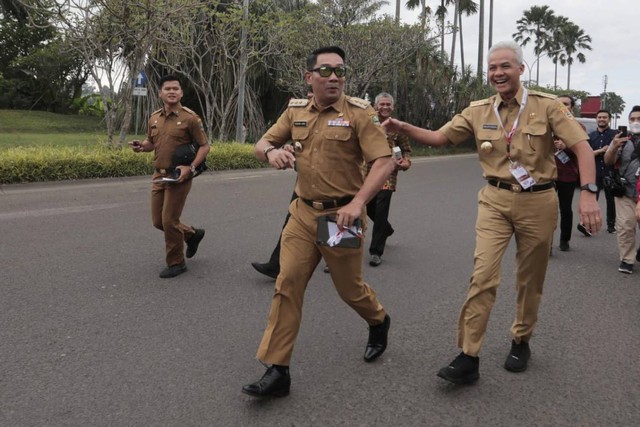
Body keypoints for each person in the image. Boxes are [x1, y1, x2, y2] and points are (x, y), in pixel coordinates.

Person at [383, 40, 601, 385]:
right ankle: (468, 355)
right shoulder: (478, 110)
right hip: (495, 200)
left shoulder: (546, 106)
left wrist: (588, 195)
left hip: (538, 200)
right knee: (482, 275)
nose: (498, 73)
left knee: (530, 279)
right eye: (492, 68)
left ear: (520, 69)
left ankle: (521, 339)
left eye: (505, 66)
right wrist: (403, 127)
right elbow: (440, 138)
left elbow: (582, 149)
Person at [242, 46, 394, 398]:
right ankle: (277, 369)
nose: (335, 77)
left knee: (349, 289)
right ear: (309, 77)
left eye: (340, 70)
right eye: (325, 71)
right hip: (302, 212)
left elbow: (384, 161)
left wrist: (358, 203)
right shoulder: (295, 111)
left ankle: (378, 319)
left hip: (341, 217)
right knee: (287, 284)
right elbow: (262, 141)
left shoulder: (360, 113)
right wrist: (271, 152)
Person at [128, 75, 210, 278]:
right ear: (160, 93)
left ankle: (176, 262)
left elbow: (205, 146)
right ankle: (191, 234)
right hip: (159, 175)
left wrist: (190, 167)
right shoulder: (154, 118)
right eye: (168, 89)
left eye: (176, 88)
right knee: (158, 222)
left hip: (180, 176)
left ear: (181, 93)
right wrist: (141, 147)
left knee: (169, 220)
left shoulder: (190, 118)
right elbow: (150, 143)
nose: (172, 92)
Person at [365, 92, 411, 266]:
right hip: (365, 174)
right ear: (376, 106)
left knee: (381, 210)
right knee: (367, 208)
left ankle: (376, 251)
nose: (385, 107)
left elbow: (405, 149)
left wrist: (405, 162)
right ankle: (386, 229)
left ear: (392, 107)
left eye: (388, 105)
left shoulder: (397, 127)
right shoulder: (367, 123)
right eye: (381, 104)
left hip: (387, 175)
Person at [605, 105, 640, 274]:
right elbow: (608, 161)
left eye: (639, 119)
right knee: (626, 225)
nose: (635, 122)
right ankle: (627, 259)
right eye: (632, 119)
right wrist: (613, 147)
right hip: (625, 191)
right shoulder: (621, 139)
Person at [553, 95, 581, 252]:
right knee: (546, 210)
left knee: (565, 208)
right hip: (547, 175)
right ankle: (546, 242)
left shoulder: (579, 127)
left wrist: (567, 146)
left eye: (566, 104)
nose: (562, 107)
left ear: (572, 107)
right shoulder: (546, 125)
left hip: (567, 175)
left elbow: (583, 152)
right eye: (559, 104)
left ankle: (565, 240)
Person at [587, 109, 618, 234]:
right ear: (596, 119)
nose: (602, 119)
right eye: (599, 117)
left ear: (609, 119)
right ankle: (589, 226)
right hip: (594, 173)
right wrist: (601, 151)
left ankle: (611, 225)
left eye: (604, 117)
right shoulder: (591, 136)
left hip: (610, 172)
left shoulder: (615, 135)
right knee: (592, 200)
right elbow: (587, 154)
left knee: (611, 201)